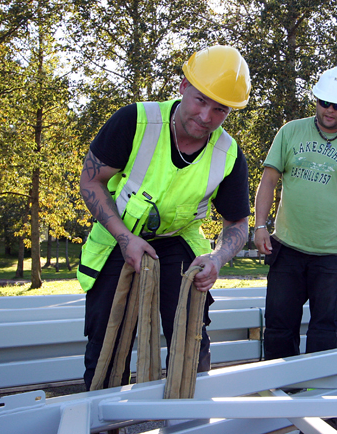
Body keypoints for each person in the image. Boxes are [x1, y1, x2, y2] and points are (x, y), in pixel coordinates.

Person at [77, 45, 251, 390]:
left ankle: (188, 422)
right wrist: (126, 238)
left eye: (220, 109)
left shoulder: (228, 154)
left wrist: (218, 257)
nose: (206, 117)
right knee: (108, 341)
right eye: (201, 101)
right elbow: (90, 181)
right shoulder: (135, 121)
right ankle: (104, 422)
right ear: (184, 86)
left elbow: (237, 224)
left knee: (190, 340)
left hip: (178, 242)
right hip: (119, 236)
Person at [254, 66, 337, 360]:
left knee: (324, 331)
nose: (329, 110)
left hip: (330, 256)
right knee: (278, 328)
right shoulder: (290, 132)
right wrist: (260, 225)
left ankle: (318, 396)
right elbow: (268, 181)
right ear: (315, 99)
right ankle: (281, 389)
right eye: (323, 102)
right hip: (286, 249)